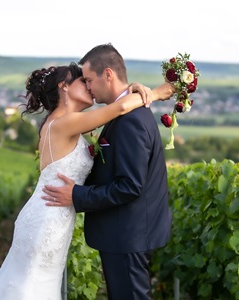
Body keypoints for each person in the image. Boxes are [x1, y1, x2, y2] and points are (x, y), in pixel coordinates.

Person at [0, 61, 174, 300]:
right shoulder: (64, 123)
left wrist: (130, 88)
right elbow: (120, 108)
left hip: (54, 216)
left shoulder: (64, 122)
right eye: (83, 81)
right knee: (31, 285)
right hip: (47, 220)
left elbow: (119, 107)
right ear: (64, 86)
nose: (90, 87)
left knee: (38, 284)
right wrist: (154, 93)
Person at [42, 44, 175, 299]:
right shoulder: (126, 112)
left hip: (128, 235)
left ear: (108, 75)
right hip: (126, 233)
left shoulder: (130, 120)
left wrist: (77, 196)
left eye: (90, 80)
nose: (89, 87)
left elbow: (130, 186)